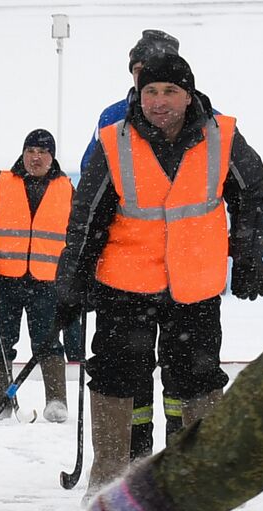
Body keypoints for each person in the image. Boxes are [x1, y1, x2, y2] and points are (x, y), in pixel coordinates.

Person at [55, 53, 263, 497]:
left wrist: (249, 257)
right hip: (125, 284)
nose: (159, 101)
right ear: (138, 93)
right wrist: (73, 280)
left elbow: (252, 196)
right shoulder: (113, 141)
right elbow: (86, 216)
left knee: (198, 378)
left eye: (170, 91)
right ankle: (112, 473)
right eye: (151, 91)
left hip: (195, 286)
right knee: (115, 377)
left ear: (188, 95)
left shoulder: (222, 136)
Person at [78, 313, 263, 511]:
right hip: (126, 288)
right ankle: (108, 474)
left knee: (195, 373)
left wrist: (160, 492)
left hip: (192, 291)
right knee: (120, 370)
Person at [81, 29, 185, 462]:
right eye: (143, 69)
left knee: (186, 371)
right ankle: (134, 452)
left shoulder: (203, 117)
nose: (150, 80)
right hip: (125, 268)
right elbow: (91, 186)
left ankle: (182, 456)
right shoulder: (112, 117)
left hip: (184, 270)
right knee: (128, 369)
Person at [0, 129, 75, 423]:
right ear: (23, 153)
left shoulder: (66, 188)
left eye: (42, 152)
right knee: (0, 340)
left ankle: (56, 400)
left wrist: (75, 272)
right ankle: (1, 400)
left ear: (52, 156)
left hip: (46, 280)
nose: (35, 157)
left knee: (49, 340)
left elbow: (77, 235)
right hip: (5, 278)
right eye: (30, 151)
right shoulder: (3, 183)